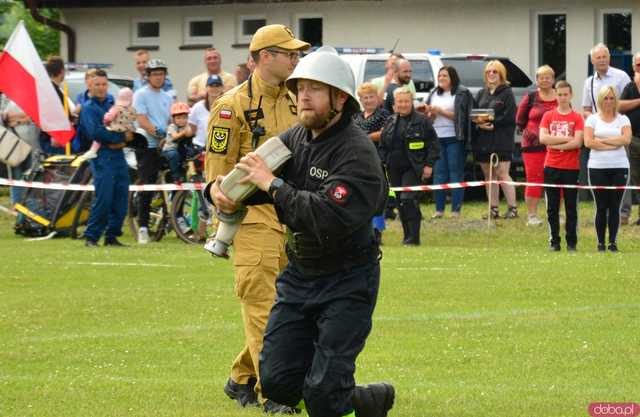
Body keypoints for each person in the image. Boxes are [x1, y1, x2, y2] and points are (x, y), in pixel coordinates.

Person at [207, 45, 395, 417]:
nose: (303, 96)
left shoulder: (356, 153)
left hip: (348, 279)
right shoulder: (297, 138)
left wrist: (272, 185)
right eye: (299, 88)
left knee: (322, 399)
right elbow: (252, 173)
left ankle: (342, 392)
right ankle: (350, 393)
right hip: (300, 276)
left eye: (314, 88)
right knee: (277, 384)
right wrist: (218, 191)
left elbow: (324, 216)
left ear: (340, 98)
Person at [204, 24, 309, 414]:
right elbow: (218, 176)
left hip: (293, 216)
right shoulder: (230, 106)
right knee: (264, 305)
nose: (296, 60)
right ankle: (276, 393)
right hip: (252, 217)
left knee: (291, 308)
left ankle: (242, 377)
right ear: (266, 56)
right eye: (290, 54)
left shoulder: (297, 99)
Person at [78, 70, 132, 247]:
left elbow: (127, 122)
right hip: (102, 157)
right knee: (104, 197)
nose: (101, 88)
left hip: (118, 156)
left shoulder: (114, 103)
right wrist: (120, 139)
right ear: (90, 86)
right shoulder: (88, 108)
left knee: (121, 196)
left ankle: (112, 235)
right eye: (97, 85)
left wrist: (125, 137)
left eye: (103, 84)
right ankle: (92, 236)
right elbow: (96, 132)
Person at [379, 87, 439, 245]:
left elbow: (434, 145)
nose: (403, 105)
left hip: (413, 168)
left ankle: (414, 238)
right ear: (395, 103)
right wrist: (382, 161)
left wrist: (429, 165)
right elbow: (383, 145)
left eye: (406, 101)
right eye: (400, 101)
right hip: (393, 168)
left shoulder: (422, 121)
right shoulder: (390, 121)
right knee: (400, 202)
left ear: (411, 102)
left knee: (408, 200)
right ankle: (407, 236)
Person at [581, 43, 631, 212]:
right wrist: (594, 121)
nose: (601, 60)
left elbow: (627, 102)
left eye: (604, 56)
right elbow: (586, 109)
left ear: (609, 58)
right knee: (600, 172)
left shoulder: (622, 76)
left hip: (618, 129)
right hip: (597, 132)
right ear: (592, 60)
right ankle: (602, 210)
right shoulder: (589, 82)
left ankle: (623, 212)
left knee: (622, 167)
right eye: (598, 57)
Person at [584, 86, 632, 252]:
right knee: (601, 205)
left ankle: (612, 242)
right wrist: (613, 142)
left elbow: (626, 139)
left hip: (619, 166)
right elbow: (588, 142)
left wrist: (602, 142)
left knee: (615, 206)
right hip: (597, 167)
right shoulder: (592, 120)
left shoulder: (623, 119)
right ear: (600, 100)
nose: (609, 101)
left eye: (612, 98)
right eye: (606, 98)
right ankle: (600, 243)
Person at [539, 81, 584, 251]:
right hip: (551, 166)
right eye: (560, 94)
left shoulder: (577, 117)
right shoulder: (548, 116)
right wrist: (566, 140)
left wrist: (555, 144)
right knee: (552, 207)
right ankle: (554, 241)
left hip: (571, 168)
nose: (563, 97)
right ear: (555, 96)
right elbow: (543, 139)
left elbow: (578, 142)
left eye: (566, 94)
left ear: (571, 95)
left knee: (571, 207)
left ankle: (571, 242)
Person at [133, 58, 174, 244]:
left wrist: (168, 134)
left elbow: (170, 120)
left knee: (173, 179)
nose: (158, 77)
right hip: (147, 145)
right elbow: (141, 119)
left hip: (163, 145)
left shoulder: (167, 97)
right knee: (147, 185)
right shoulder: (141, 94)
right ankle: (142, 226)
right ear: (148, 76)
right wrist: (157, 132)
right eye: (155, 74)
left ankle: (174, 218)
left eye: (161, 74)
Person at [471, 60, 518, 219]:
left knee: (502, 172)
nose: (491, 74)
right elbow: (474, 114)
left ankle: (512, 208)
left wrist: (492, 123)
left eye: (495, 71)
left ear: (501, 74)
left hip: (501, 139)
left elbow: (510, 117)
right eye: (488, 72)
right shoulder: (481, 93)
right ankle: (493, 209)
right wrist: (479, 124)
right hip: (483, 140)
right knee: (488, 175)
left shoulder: (507, 93)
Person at [424, 66, 472, 218]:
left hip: (455, 138)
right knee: (439, 174)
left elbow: (463, 117)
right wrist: (430, 113)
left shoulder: (462, 93)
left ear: (453, 77)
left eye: (445, 75)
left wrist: (441, 112)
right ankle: (439, 210)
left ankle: (455, 211)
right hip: (437, 138)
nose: (441, 78)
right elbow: (429, 118)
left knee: (455, 173)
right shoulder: (433, 93)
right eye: (440, 76)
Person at [516, 65, 557, 225]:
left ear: (553, 79)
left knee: (555, 179)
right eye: (541, 77)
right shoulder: (530, 97)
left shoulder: (559, 96)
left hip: (555, 145)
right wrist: (533, 133)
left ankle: (555, 214)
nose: (544, 80)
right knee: (534, 179)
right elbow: (520, 119)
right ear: (537, 79)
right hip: (532, 146)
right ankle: (532, 216)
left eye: (548, 77)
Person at [354, 82, 391, 239]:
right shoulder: (357, 116)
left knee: (377, 196)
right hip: (358, 161)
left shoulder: (384, 115)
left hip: (377, 160)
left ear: (377, 98)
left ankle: (377, 230)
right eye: (365, 98)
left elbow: (386, 133)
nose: (368, 100)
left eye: (371, 97)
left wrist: (365, 138)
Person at [0, 95, 41, 206]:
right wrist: (24, 118)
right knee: (16, 175)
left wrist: (17, 119)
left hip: (32, 142)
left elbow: (35, 114)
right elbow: (3, 117)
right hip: (13, 143)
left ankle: (30, 204)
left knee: (31, 174)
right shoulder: (6, 96)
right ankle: (17, 204)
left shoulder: (30, 94)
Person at [81, 87, 136, 160]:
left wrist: (105, 121)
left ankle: (92, 151)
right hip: (126, 128)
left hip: (115, 127)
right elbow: (133, 118)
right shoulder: (132, 109)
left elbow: (109, 117)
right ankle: (119, 145)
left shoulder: (116, 108)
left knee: (99, 137)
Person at [618, 51, 640, 225]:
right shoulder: (630, 88)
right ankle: (630, 215)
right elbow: (619, 106)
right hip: (633, 139)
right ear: (634, 67)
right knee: (633, 177)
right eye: (638, 65)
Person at [189, 74, 224, 151]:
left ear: (222, 88)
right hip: (199, 147)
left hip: (219, 147)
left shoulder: (227, 107)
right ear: (206, 88)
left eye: (217, 85)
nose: (214, 88)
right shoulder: (197, 107)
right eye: (211, 85)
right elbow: (192, 127)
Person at [162, 102, 193, 182]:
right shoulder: (171, 127)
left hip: (181, 148)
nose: (182, 120)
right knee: (174, 155)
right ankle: (176, 176)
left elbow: (191, 133)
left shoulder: (187, 126)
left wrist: (191, 132)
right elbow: (175, 136)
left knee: (192, 151)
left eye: (184, 118)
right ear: (173, 119)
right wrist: (183, 132)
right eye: (178, 118)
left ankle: (192, 172)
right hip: (170, 149)